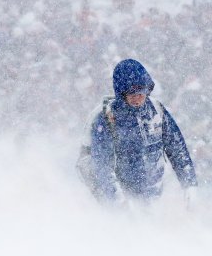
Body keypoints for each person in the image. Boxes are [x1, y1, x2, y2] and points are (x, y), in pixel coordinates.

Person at [79, 59, 197, 202]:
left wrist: (189, 183)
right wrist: (119, 203)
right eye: (132, 95)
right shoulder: (107, 120)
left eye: (141, 94)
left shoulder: (156, 111)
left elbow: (177, 148)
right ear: (122, 94)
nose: (137, 99)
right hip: (122, 198)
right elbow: (102, 166)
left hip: (154, 196)